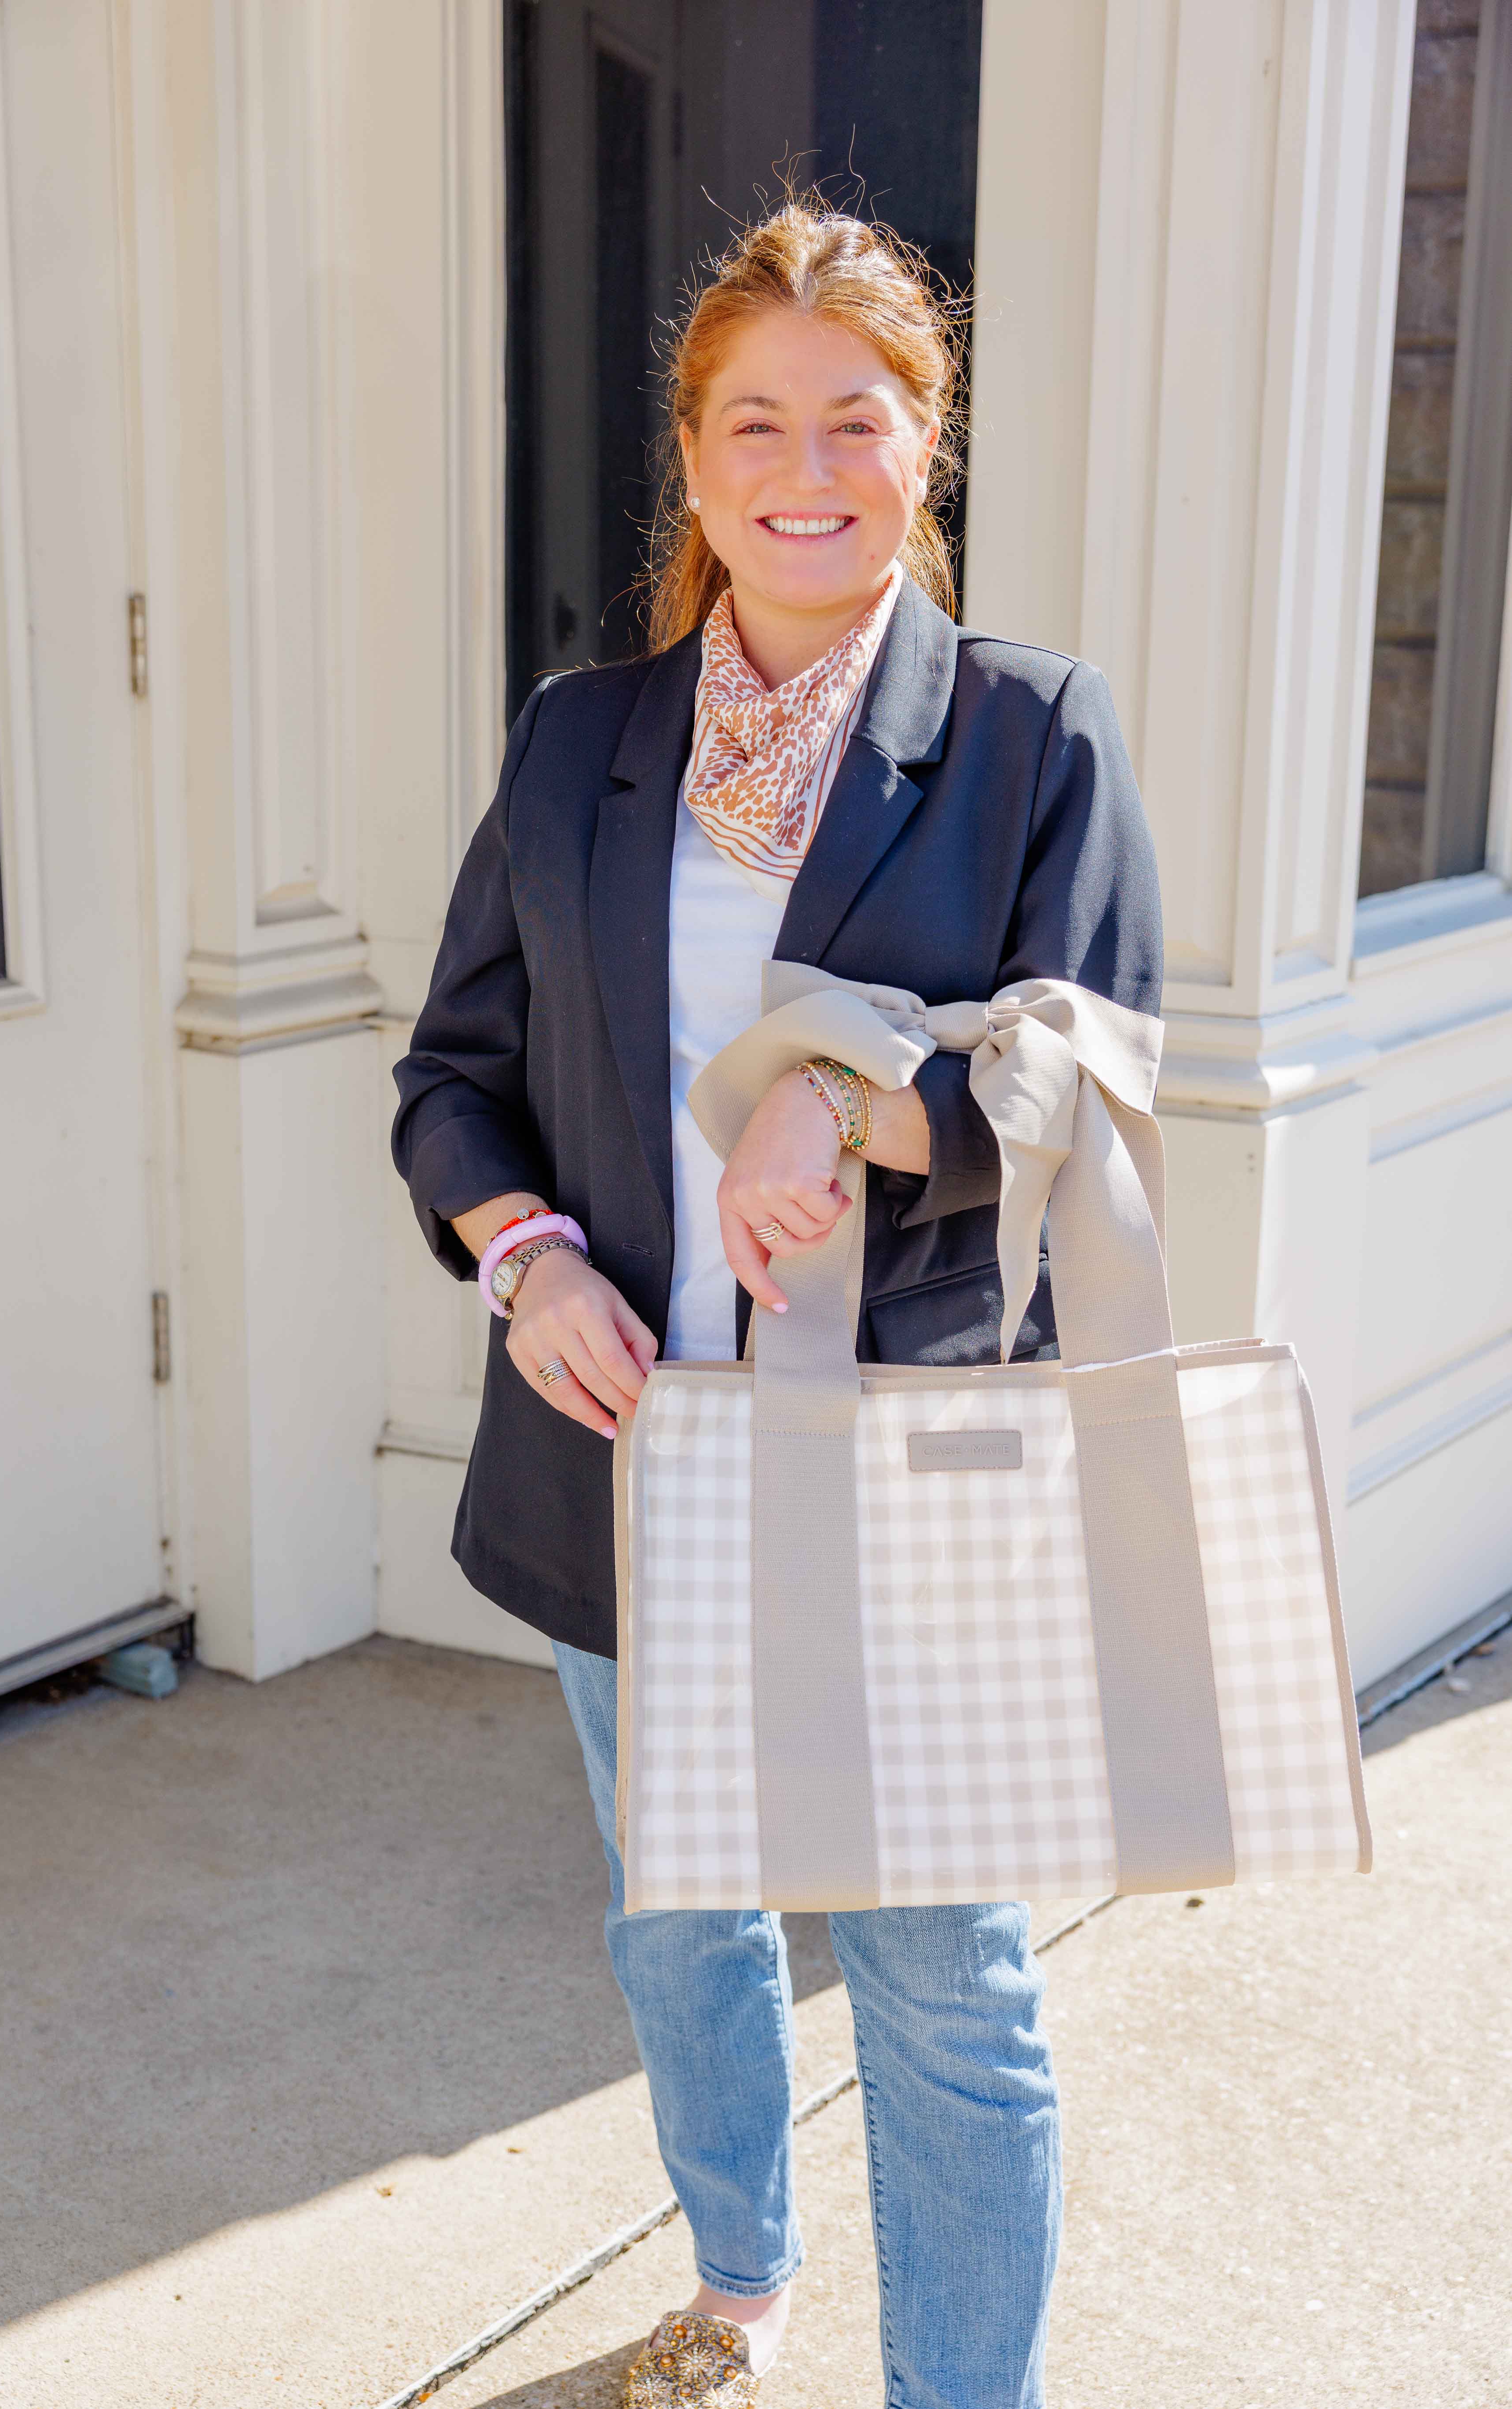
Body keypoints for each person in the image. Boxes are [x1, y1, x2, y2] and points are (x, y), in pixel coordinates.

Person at [392, 200, 1161, 2409]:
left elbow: (1089, 1067)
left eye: (854, 416)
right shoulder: (578, 736)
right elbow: (453, 1075)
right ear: (696, 454)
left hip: (904, 1470)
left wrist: (847, 1096)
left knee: (941, 1984)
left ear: (924, 444)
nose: (802, 464)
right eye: (755, 420)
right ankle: (736, 2276)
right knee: (678, 1911)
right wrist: (523, 1258)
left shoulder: (1030, 735)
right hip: (620, 1453)